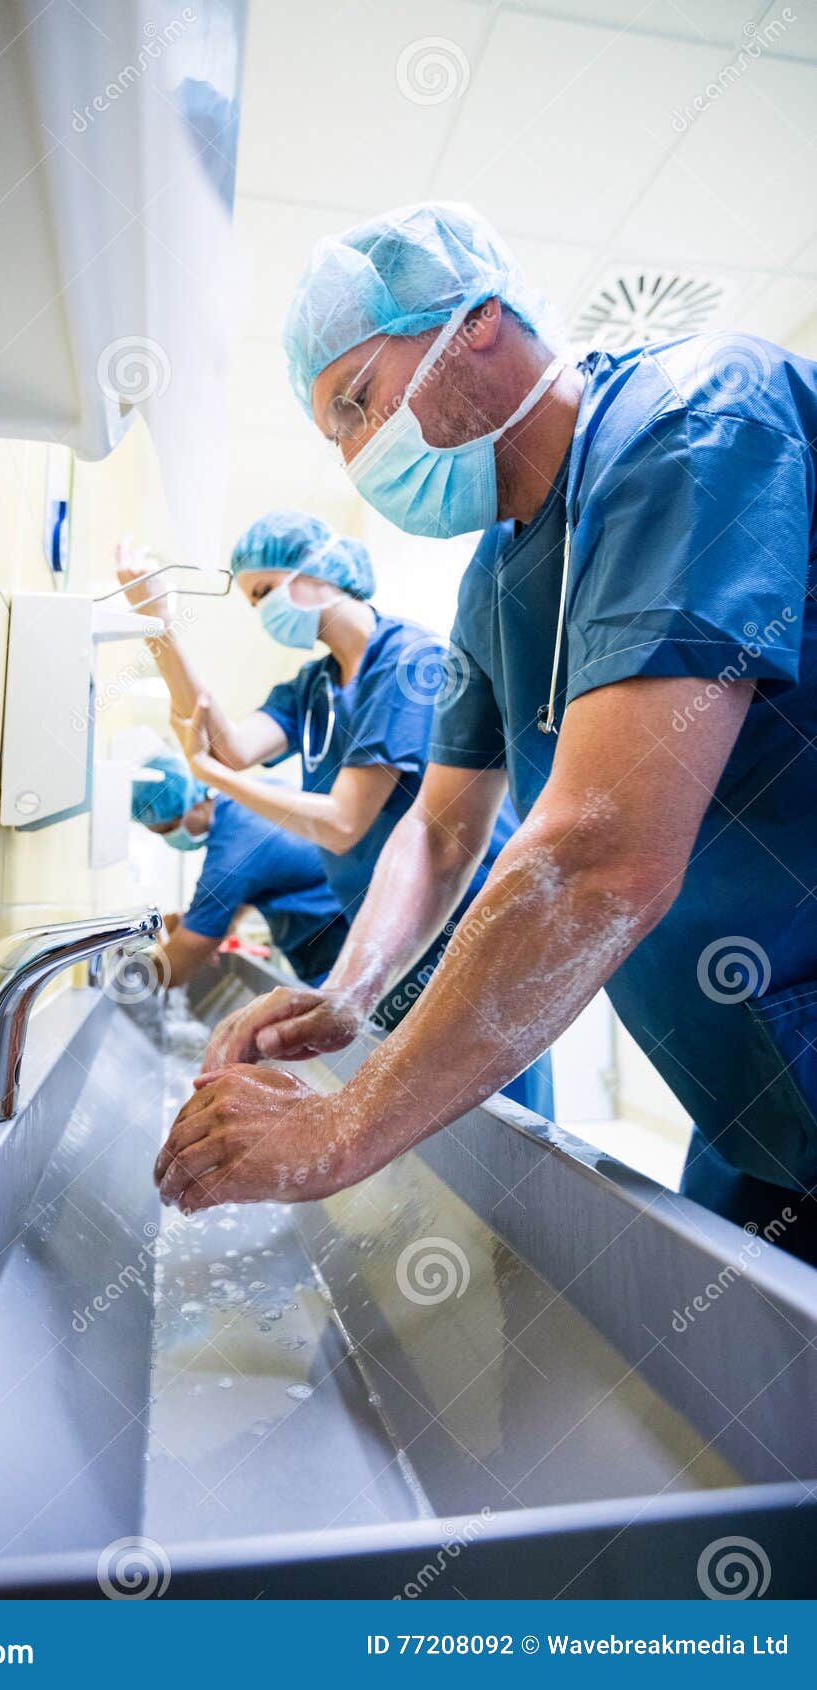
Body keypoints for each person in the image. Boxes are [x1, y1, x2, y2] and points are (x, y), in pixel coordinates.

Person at [154, 201, 817, 1266]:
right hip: (748, 1080)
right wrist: (348, 991)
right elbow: (437, 829)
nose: (360, 453)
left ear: (476, 322)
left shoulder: (691, 423)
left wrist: (342, 1124)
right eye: (338, 436)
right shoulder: (492, 584)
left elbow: (601, 848)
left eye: (360, 402)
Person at [119, 513, 552, 1113]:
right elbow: (230, 747)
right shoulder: (315, 684)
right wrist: (160, 630)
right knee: (423, 1115)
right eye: (253, 601)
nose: (264, 611)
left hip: (466, 925)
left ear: (323, 571)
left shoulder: (405, 661)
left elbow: (345, 820)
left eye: (267, 591)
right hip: (391, 930)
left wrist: (213, 777)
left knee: (496, 1121)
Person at [130, 750, 348, 989]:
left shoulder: (229, 859)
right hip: (341, 934)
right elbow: (242, 896)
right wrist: (198, 927)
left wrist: (138, 979)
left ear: (192, 806)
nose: (170, 840)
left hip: (339, 949)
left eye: (167, 830)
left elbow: (174, 970)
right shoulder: (254, 794)